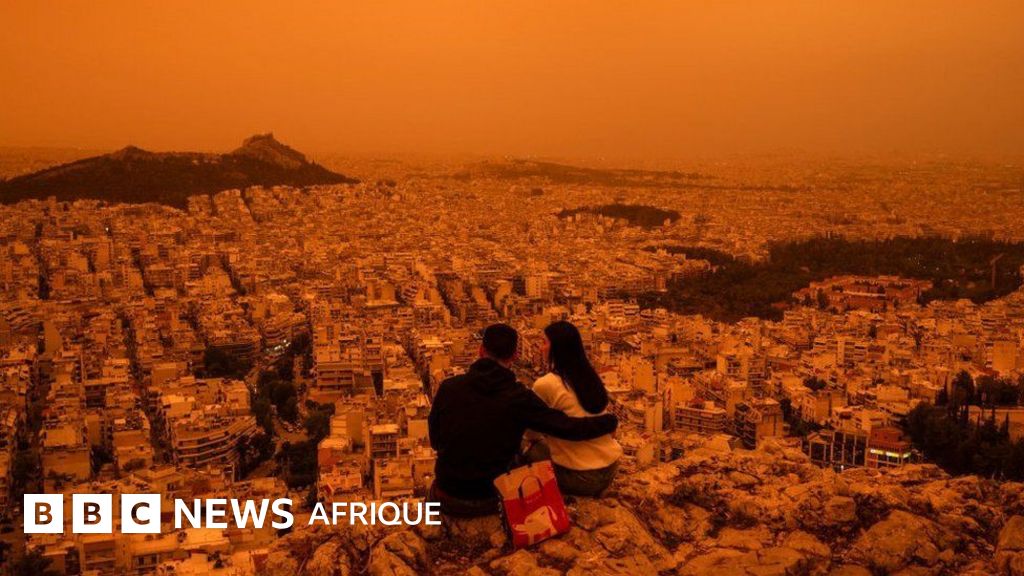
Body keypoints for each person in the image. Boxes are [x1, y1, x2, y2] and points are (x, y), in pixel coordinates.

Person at [428, 323, 619, 517]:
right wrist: (608, 422)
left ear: (480, 350)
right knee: (523, 448)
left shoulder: (448, 387)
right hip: (493, 498)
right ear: (514, 356)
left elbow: (435, 441)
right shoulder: (519, 397)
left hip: (447, 496)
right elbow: (567, 427)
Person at [525, 321, 622, 497]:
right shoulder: (590, 378)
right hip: (610, 470)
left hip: (580, 479)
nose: (541, 348)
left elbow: (531, 434)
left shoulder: (545, 384)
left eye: (544, 342)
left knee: (525, 445)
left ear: (557, 348)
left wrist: (551, 431)